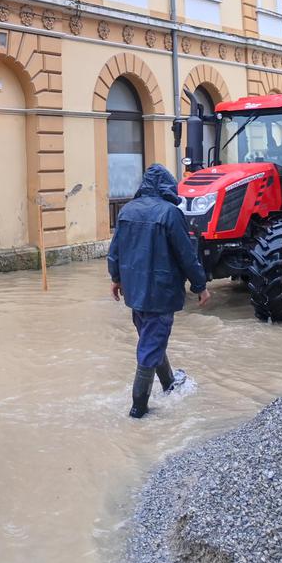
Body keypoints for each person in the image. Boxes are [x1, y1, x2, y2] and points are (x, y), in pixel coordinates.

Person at [109, 163, 210, 419]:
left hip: (135, 292)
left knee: (151, 340)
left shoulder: (127, 210)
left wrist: (116, 278)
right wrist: (200, 286)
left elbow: (116, 249)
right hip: (161, 293)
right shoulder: (170, 213)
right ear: (167, 185)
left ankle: (168, 385)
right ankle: (138, 409)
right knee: (150, 345)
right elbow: (187, 255)